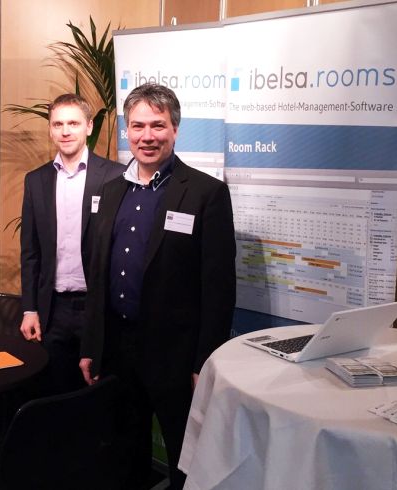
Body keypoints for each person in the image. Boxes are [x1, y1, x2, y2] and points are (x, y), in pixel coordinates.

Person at [79, 83, 236, 489]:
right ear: (126, 130)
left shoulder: (206, 193)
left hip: (175, 357)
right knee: (125, 452)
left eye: (158, 125)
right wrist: (91, 345)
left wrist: (204, 363)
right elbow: (96, 273)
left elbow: (219, 289)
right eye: (138, 126)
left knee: (185, 459)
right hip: (117, 349)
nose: (147, 136)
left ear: (175, 129)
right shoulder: (109, 191)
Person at [20, 93, 122, 394]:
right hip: (53, 310)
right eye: (58, 124)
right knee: (55, 392)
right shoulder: (35, 180)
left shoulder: (115, 177)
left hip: (99, 307)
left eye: (73, 123)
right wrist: (29, 309)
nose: (65, 131)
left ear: (89, 127)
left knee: (99, 394)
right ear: (50, 129)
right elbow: (30, 252)